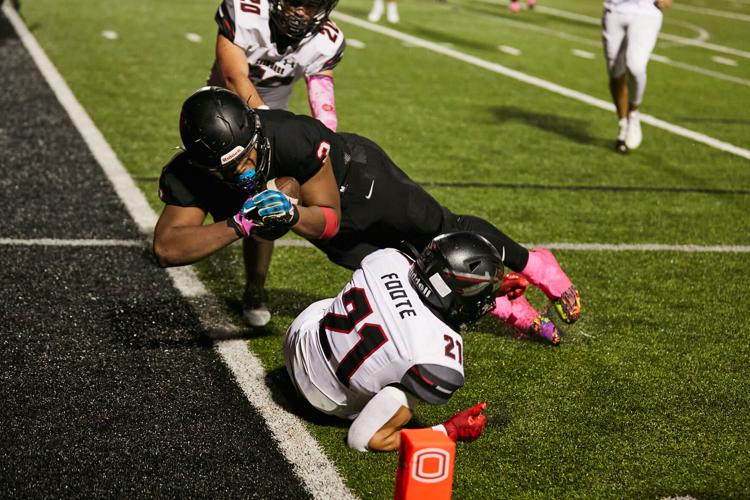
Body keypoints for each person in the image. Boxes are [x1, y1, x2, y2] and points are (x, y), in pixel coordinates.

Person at [153, 86, 581, 343]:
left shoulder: (290, 135)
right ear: (203, 164)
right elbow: (168, 248)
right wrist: (239, 224)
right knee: (403, 270)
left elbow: (329, 216)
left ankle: (536, 264)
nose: (247, 168)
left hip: (356, 179)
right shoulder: (189, 176)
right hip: (319, 220)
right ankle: (503, 305)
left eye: (250, 155)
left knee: (442, 233)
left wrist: (290, 213)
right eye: (234, 166)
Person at [284, 232, 500, 451]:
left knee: (354, 303)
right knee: (406, 388)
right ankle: (377, 434)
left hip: (297, 342)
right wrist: (449, 430)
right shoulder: (439, 355)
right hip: (325, 399)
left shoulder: (389, 259)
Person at [209, 0, 345, 326]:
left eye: (311, 5)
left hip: (272, 127)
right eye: (296, 0)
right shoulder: (245, 12)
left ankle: (255, 288)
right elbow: (233, 78)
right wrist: (271, 128)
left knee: (268, 200)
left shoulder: (326, 39)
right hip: (221, 115)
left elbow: (322, 98)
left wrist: (327, 142)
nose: (300, 11)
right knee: (196, 191)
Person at [601, 0, 671, 153]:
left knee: (635, 66)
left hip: (646, 10)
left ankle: (633, 112)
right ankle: (623, 123)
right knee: (615, 72)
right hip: (615, 9)